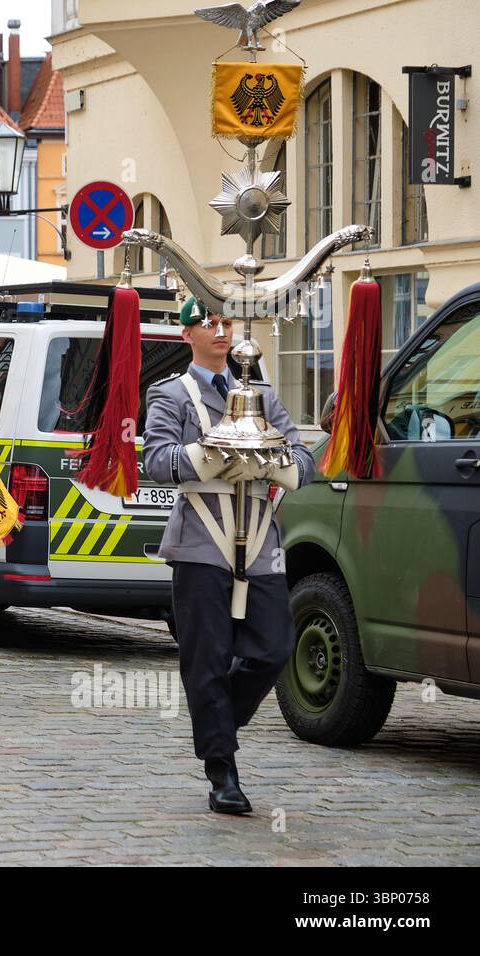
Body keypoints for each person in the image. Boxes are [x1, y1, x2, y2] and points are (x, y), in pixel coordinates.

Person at [142, 297, 314, 814]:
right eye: (208, 323)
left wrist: (271, 466)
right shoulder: (171, 393)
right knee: (208, 657)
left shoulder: (259, 393)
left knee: (274, 645)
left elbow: (303, 458)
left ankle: (214, 721)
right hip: (202, 540)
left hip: (260, 539)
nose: (220, 331)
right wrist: (216, 456)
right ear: (187, 334)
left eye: (226, 322)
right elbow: (157, 461)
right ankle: (222, 770)